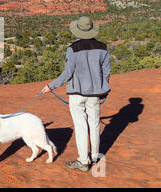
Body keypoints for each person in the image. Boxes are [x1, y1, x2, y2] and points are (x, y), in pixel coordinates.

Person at [41, 16, 111, 172]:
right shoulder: (103, 48)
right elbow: (106, 72)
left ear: (78, 30)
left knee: (80, 127)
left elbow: (68, 73)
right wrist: (103, 89)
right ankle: (94, 157)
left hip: (77, 94)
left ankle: (83, 161)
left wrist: (51, 86)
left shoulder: (73, 48)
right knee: (94, 125)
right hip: (95, 94)